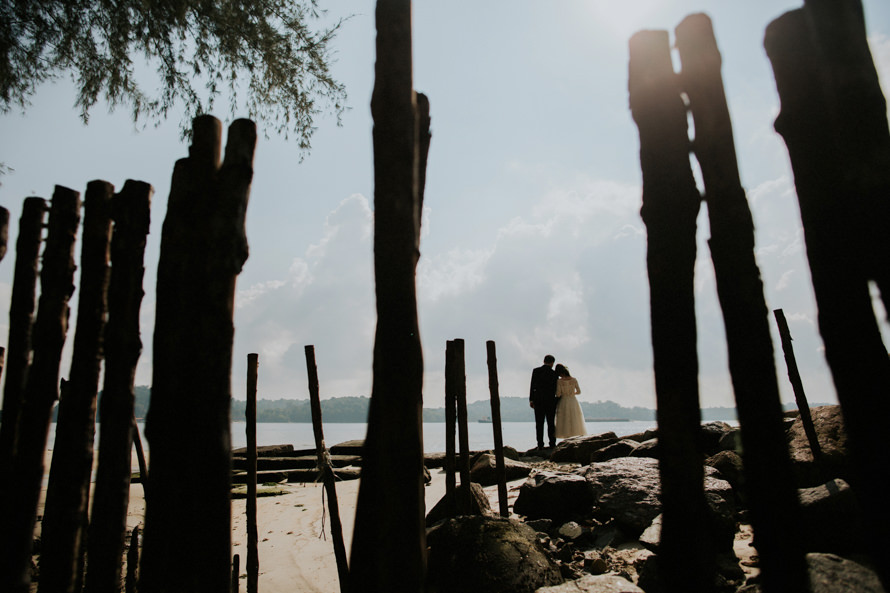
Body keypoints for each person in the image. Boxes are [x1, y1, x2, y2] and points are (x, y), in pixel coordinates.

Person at [529, 354, 558, 450]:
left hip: (538, 401)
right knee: (551, 423)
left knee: (539, 424)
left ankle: (540, 444)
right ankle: (552, 443)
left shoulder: (536, 371)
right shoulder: (554, 374)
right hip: (550, 401)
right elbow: (556, 389)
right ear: (552, 363)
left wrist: (531, 399)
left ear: (544, 361)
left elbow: (532, 386)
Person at [554, 364, 587, 439]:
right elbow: (579, 392)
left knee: (565, 419)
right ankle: (575, 435)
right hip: (573, 400)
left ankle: (567, 436)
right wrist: (572, 393)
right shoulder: (574, 380)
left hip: (563, 401)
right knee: (574, 418)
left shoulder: (559, 381)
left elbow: (558, 394)